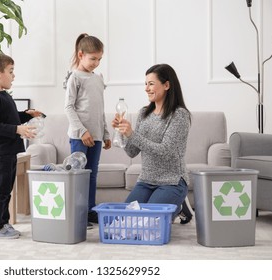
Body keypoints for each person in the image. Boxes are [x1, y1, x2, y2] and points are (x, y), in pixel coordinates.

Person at [112, 63, 192, 221]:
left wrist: (132, 134)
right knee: (125, 220)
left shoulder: (179, 115)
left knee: (148, 223)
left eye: (151, 84)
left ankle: (180, 205)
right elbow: (132, 151)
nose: (146, 88)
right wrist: (121, 132)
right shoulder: (144, 113)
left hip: (172, 181)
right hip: (146, 181)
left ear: (167, 85)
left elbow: (165, 151)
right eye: (145, 84)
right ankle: (178, 206)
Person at [0, 52, 44, 239]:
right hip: (0, 152)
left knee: (6, 190)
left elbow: (11, 118)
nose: (13, 75)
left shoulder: (4, 95)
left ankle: (3, 222)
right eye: (10, 71)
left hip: (8, 151)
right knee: (0, 190)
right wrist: (18, 130)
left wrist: (27, 114)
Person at [64, 33, 111, 228]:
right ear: (81, 54)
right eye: (93, 59)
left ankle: (90, 211)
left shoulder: (98, 79)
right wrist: (82, 131)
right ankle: (77, 213)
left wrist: (106, 133)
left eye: (99, 59)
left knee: (92, 175)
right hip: (79, 136)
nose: (96, 63)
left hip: (97, 136)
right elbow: (68, 107)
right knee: (79, 175)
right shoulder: (74, 77)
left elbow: (100, 109)